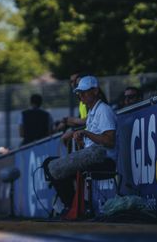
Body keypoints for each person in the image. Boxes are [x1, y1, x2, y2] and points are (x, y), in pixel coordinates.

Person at [43, 75, 117, 212]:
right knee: (49, 164)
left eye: (84, 91)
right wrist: (80, 142)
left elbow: (110, 141)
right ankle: (73, 207)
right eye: (79, 92)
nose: (80, 95)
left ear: (95, 91)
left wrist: (87, 133)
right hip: (94, 157)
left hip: (104, 161)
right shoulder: (92, 112)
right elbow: (90, 147)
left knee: (55, 167)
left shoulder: (104, 110)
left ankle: (74, 208)